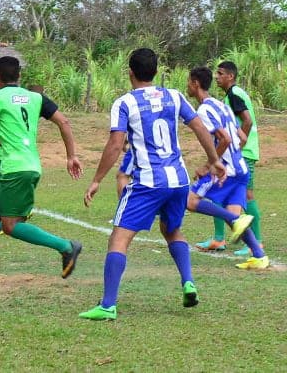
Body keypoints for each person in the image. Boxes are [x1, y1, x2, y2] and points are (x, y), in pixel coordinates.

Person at [80, 49, 226, 321]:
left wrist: (97, 179)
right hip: (179, 180)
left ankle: (108, 305)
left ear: (130, 72)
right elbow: (199, 128)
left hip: (148, 181)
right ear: (156, 72)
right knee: (172, 231)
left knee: (119, 239)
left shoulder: (125, 103)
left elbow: (115, 144)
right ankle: (188, 282)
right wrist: (214, 160)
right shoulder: (174, 96)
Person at [0, 56, 84, 279]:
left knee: (10, 226)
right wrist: (71, 156)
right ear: (19, 76)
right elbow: (64, 122)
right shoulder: (36, 98)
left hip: (14, 170)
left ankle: (66, 246)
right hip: (32, 166)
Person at [184, 67, 267, 269]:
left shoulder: (203, 110)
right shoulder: (221, 105)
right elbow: (243, 137)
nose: (187, 85)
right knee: (235, 220)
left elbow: (225, 138)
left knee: (190, 201)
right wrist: (234, 156)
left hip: (226, 170)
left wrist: (210, 165)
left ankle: (238, 223)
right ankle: (259, 256)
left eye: (188, 82)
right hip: (240, 168)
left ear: (195, 84)